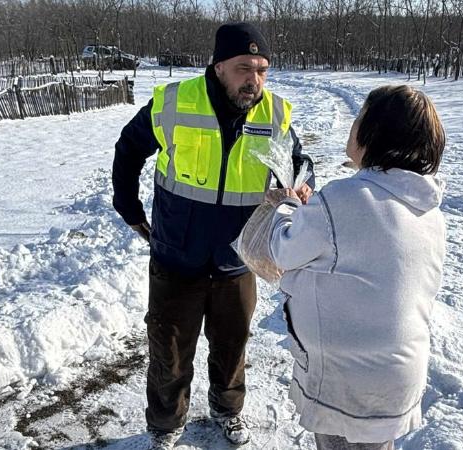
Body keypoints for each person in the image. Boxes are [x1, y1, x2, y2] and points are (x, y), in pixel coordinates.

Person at [111, 22, 313, 449]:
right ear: (219, 66)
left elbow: (298, 162)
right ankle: (166, 425)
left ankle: (227, 410)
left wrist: (302, 180)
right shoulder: (175, 103)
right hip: (174, 258)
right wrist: (128, 208)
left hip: (237, 260)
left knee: (232, 348)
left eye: (262, 70)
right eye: (244, 68)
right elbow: (129, 148)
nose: (254, 80)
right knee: (168, 351)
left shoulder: (274, 113)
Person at [266, 85, 446, 449]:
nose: (353, 126)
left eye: (358, 118)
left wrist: (285, 207)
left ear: (374, 132)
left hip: (348, 380)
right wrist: (313, 212)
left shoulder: (344, 197)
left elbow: (284, 252)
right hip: (398, 376)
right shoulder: (428, 209)